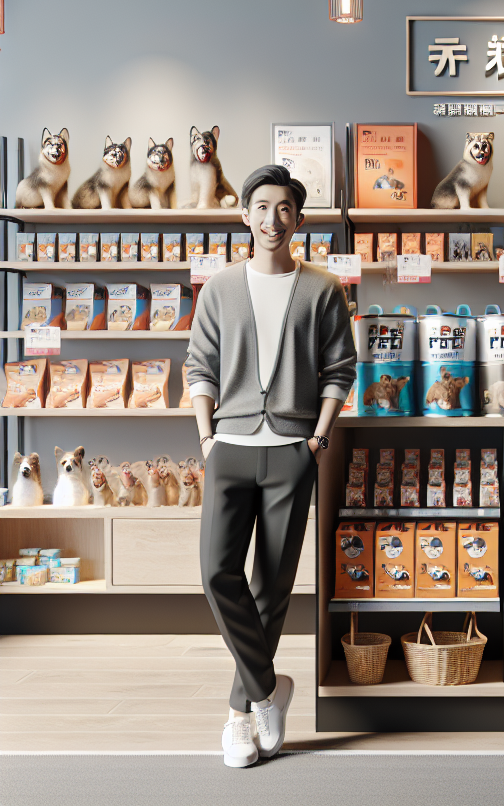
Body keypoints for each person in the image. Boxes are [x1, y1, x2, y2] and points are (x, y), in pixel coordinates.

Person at [186, 164, 355, 767]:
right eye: (261, 207)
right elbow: (199, 365)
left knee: (272, 588)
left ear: (299, 220)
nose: (271, 220)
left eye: (284, 209)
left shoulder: (322, 289)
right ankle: (268, 689)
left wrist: (317, 436)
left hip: (292, 451)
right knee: (216, 574)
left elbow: (340, 370)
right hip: (229, 447)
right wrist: (207, 437)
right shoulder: (219, 288)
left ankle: (238, 717)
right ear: (245, 215)